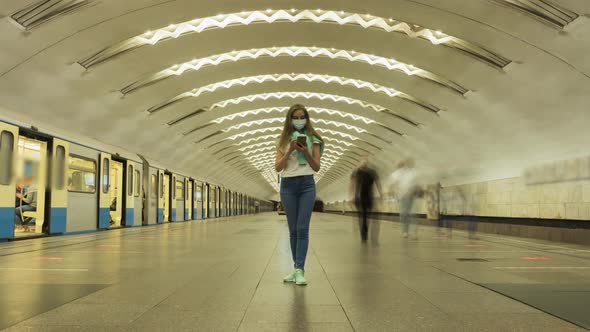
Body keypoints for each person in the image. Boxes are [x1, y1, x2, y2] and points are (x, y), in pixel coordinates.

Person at [275, 104, 324, 286]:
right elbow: (278, 167)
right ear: (290, 119)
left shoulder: (314, 139)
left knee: (302, 228)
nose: (298, 120)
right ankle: (296, 268)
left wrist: (305, 152)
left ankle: (300, 269)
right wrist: (289, 151)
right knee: (293, 230)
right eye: (295, 117)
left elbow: (317, 167)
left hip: (306, 185)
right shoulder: (282, 140)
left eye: (301, 117)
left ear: (307, 118)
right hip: (287, 185)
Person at [349, 156, 382, 242]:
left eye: (366, 160)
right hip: (359, 198)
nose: (364, 161)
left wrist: (381, 194)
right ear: (359, 161)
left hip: (370, 197)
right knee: (362, 216)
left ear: (367, 162)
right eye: (362, 160)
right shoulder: (356, 172)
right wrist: (351, 196)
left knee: (368, 216)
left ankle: (367, 233)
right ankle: (364, 235)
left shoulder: (372, 172)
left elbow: (378, 182)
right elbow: (352, 184)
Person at [388, 159, 420, 239]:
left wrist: (414, 190)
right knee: (404, 213)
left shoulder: (411, 172)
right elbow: (392, 184)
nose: (402, 166)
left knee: (412, 213)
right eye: (400, 164)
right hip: (402, 196)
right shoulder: (395, 174)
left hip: (412, 195)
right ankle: (405, 231)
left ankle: (414, 232)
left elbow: (416, 183)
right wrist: (392, 192)